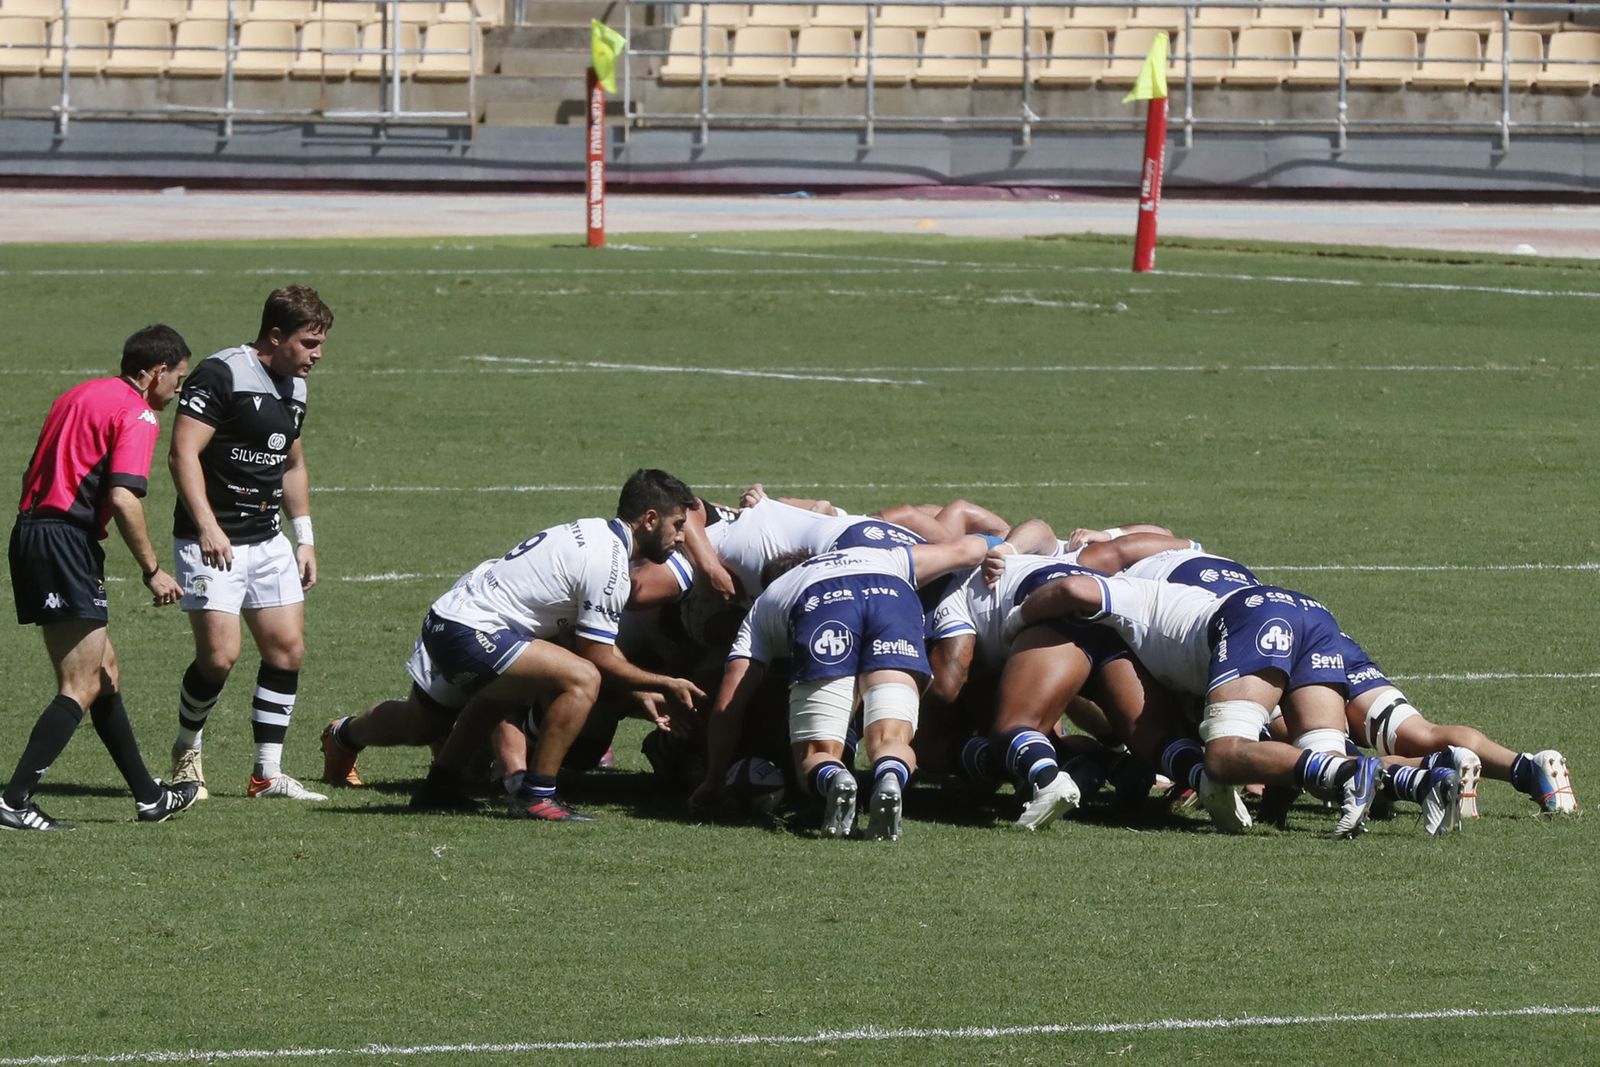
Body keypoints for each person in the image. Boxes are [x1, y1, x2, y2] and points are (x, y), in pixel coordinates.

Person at [321, 469, 707, 820]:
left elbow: (579, 638)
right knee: (583, 678)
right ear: (650, 519)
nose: (681, 537)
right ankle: (537, 796)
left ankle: (389, 759)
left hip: (449, 619)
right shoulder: (609, 564)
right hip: (470, 629)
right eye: (677, 525)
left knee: (425, 723)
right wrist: (664, 683)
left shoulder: (594, 532)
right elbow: (597, 658)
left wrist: (640, 689)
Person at [2, 326, 202, 831]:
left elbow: (36, 470)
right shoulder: (137, 413)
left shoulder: (78, 394)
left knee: (105, 672)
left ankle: (149, 798)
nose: (177, 390)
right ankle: (14, 801)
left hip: (31, 532)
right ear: (157, 371)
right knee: (81, 682)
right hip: (65, 542)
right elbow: (122, 497)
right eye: (177, 379)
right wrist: (152, 570)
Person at [690, 534, 1001, 841]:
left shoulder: (767, 601)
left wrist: (714, 781)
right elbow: (965, 549)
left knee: (816, 753)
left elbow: (727, 705)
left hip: (820, 605)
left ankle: (836, 778)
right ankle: (890, 776)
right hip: (892, 597)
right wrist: (998, 543)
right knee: (891, 737)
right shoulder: (879, 555)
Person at [165, 286, 331, 802]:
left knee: (287, 650)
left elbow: (292, 464)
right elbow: (182, 454)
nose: (317, 355)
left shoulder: (296, 387)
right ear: (276, 336)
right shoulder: (222, 374)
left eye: (321, 344)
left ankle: (266, 773)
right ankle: (186, 752)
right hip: (211, 541)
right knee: (219, 657)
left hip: (267, 540)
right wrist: (207, 525)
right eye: (309, 343)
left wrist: (304, 537)